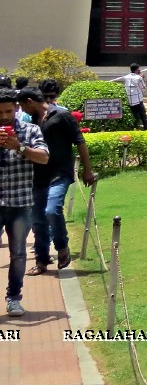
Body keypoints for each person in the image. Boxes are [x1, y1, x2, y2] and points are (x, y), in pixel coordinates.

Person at [18, 87, 95, 275]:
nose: (23, 111)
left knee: (52, 209)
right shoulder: (34, 119)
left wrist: (88, 169)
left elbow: (80, 141)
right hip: (37, 175)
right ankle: (42, 260)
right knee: (37, 220)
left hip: (60, 172)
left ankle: (62, 247)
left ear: (29, 101)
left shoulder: (62, 115)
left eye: (22, 106)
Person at [0, 87, 51, 316]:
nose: (3, 116)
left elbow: (44, 157)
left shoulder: (30, 130)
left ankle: (13, 298)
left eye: (8, 111)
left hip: (20, 203)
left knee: (19, 253)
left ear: (16, 109)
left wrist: (18, 147)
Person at [121, 63, 147, 130]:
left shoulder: (126, 77)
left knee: (134, 116)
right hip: (138, 100)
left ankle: (135, 128)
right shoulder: (139, 78)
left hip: (130, 100)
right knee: (143, 116)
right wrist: (142, 77)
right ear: (137, 70)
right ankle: (146, 129)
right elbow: (143, 88)